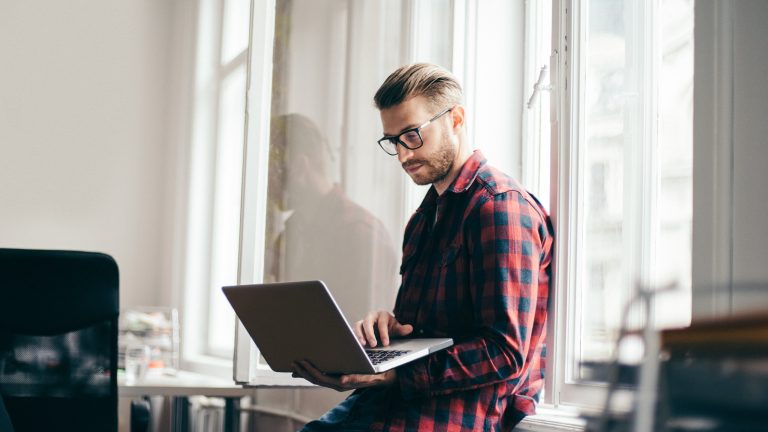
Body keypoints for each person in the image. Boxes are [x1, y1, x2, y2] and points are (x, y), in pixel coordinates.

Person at [292, 63, 554, 431]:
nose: (403, 155)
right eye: (393, 141)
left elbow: (505, 352)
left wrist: (396, 375)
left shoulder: (500, 209)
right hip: (383, 407)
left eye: (412, 135)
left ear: (456, 119)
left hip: (443, 419)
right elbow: (427, 330)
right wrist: (387, 330)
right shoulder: (422, 219)